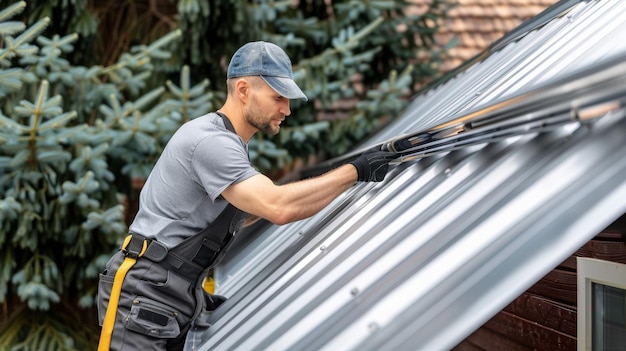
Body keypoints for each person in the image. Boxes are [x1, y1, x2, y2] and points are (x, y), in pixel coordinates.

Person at [96, 41, 396, 351]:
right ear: (243, 90)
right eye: (278, 97)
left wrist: (189, 284)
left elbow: (249, 210)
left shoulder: (228, 141)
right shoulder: (211, 142)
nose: (287, 109)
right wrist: (356, 171)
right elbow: (277, 207)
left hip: (170, 293)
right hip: (144, 295)